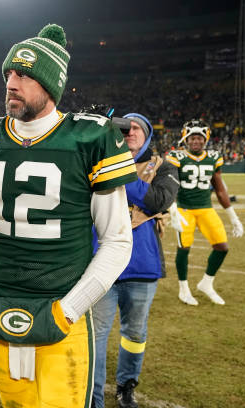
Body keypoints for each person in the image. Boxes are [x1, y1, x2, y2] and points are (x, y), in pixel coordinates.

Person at [0, 24, 137, 408]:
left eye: (23, 74)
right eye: (8, 73)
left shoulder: (90, 137)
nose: (11, 82)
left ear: (50, 85)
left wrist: (70, 309)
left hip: (61, 305)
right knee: (14, 402)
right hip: (0, 303)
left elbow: (118, 240)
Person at [91, 113, 180, 408]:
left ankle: (126, 386)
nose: (130, 132)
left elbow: (157, 201)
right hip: (100, 263)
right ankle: (93, 397)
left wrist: (115, 169)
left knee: (135, 333)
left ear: (148, 136)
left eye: (137, 128)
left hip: (142, 266)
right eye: (124, 128)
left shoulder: (163, 167)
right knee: (96, 335)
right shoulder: (94, 159)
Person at [166, 119, 244, 306]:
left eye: (200, 138)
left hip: (206, 208)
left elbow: (220, 189)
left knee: (222, 247)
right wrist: (173, 210)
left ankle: (206, 283)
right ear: (186, 139)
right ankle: (183, 289)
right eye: (192, 137)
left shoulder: (214, 157)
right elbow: (169, 186)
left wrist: (234, 217)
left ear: (206, 139)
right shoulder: (176, 157)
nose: (196, 141)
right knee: (184, 248)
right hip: (184, 209)